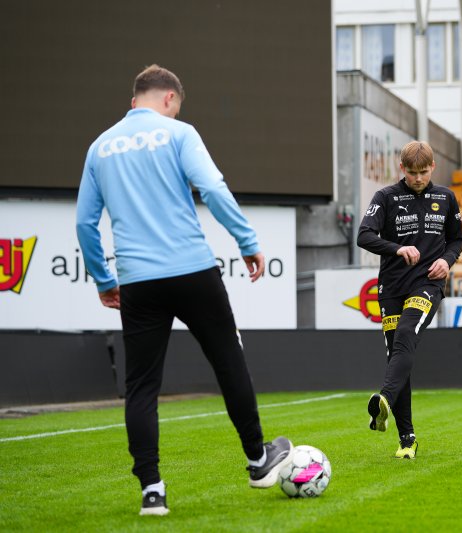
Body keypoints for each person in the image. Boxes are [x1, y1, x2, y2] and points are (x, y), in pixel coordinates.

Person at [76, 65, 293, 516]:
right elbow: (212, 187)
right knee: (228, 360)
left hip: (137, 280)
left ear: (135, 100)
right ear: (170, 99)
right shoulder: (178, 133)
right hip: (192, 270)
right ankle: (257, 460)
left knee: (140, 386)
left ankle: (151, 490)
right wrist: (248, 243)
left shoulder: (100, 147)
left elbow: (84, 223)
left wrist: (103, 279)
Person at [357, 140, 462, 459]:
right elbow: (364, 235)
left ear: (433, 167)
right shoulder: (386, 197)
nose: (418, 178)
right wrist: (396, 248)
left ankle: (384, 399)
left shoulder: (445, 198)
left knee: (406, 334)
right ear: (401, 169)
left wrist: (447, 261)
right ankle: (407, 440)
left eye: (424, 172)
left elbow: (457, 239)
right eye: (412, 172)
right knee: (397, 357)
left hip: (427, 284)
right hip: (391, 287)